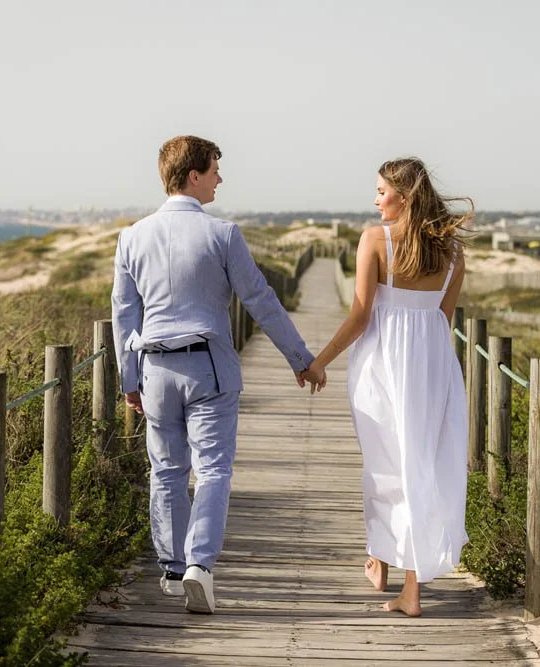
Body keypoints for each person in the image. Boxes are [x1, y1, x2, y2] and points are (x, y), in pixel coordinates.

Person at [112, 135, 325, 614]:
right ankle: (199, 566)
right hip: (209, 367)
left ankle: (172, 566)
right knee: (212, 469)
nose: (220, 180)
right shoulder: (222, 234)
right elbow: (261, 301)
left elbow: (124, 315)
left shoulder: (132, 237)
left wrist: (128, 380)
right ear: (193, 175)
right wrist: (300, 359)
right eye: (214, 171)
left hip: (156, 369)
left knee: (166, 471)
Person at [306, 157, 470, 616]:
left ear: (404, 195)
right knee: (420, 465)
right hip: (433, 365)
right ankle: (387, 563)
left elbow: (360, 316)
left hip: (383, 365)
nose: (376, 199)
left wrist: (318, 362)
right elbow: (443, 319)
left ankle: (403, 584)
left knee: (386, 465)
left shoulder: (376, 240)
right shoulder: (453, 250)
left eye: (382, 191)